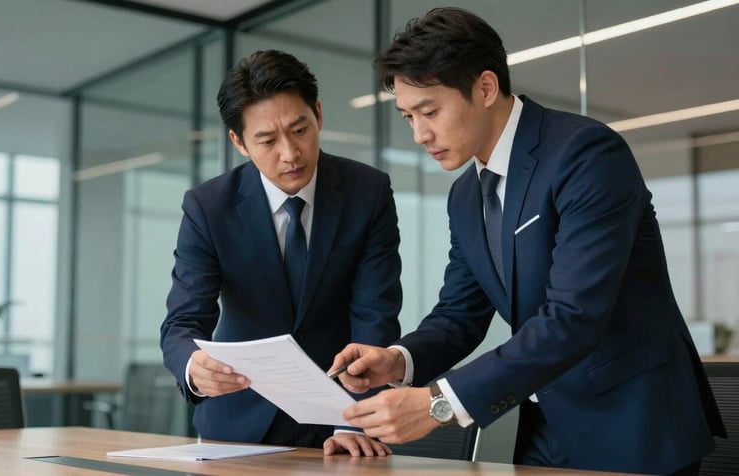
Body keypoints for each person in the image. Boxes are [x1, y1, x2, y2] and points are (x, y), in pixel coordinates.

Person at [329, 7, 726, 474]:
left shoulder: (585, 154)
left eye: (429, 112)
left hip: (633, 425)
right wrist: (398, 360)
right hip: (545, 426)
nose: (419, 134)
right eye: (407, 117)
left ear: (485, 88)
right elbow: (460, 313)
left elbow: (573, 316)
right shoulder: (465, 194)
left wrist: (439, 403)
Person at [160, 49, 402, 456]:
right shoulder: (209, 207)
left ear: (318, 115)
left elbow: (375, 314)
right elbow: (183, 321)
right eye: (267, 141)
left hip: (340, 421)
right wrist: (193, 367)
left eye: (300, 130)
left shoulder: (368, 192)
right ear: (239, 142)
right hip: (236, 422)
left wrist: (354, 416)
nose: (290, 154)